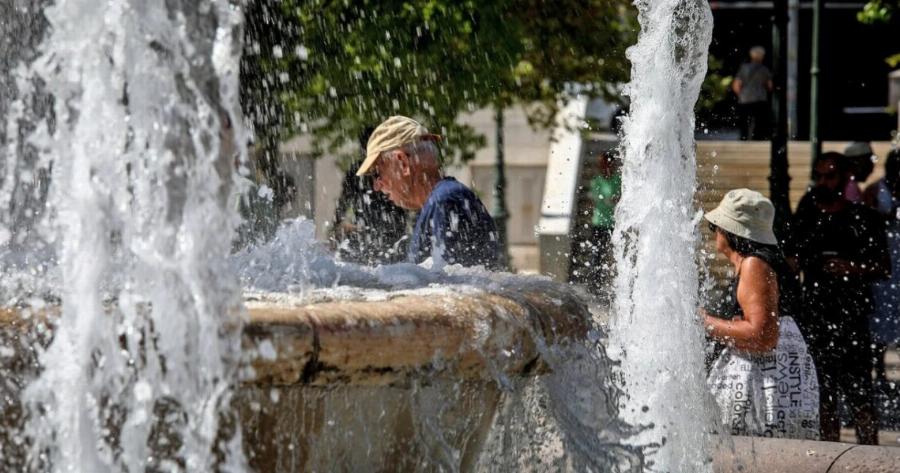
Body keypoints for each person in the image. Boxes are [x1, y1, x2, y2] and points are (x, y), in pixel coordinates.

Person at [787, 152, 890, 444]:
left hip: (852, 318)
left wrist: (852, 267)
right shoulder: (808, 216)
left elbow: (884, 267)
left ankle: (871, 456)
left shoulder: (863, 218)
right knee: (823, 397)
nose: (823, 182)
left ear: (845, 178)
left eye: (830, 176)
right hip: (816, 317)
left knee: (861, 397)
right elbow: (792, 258)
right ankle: (828, 457)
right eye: (819, 175)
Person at [702, 189, 819, 439]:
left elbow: (763, 335)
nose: (715, 233)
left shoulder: (754, 265)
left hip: (765, 390)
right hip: (776, 386)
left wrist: (704, 322)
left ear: (729, 231)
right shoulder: (761, 262)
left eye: (716, 227)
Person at [356, 115, 500, 269]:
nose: (376, 186)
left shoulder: (445, 201)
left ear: (403, 163)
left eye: (377, 173)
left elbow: (450, 282)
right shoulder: (441, 200)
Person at [331, 127, 409, 266]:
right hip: (388, 231)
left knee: (363, 269)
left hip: (370, 232)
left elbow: (343, 202)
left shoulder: (357, 171)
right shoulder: (390, 167)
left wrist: (336, 225)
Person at [863, 148, 900, 388]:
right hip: (885, 256)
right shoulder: (875, 190)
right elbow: (867, 219)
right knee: (880, 314)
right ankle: (879, 367)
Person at [732, 46, 773, 141]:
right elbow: (770, 85)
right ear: (762, 57)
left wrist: (741, 95)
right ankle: (757, 139)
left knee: (744, 121)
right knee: (759, 121)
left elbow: (736, 84)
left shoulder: (744, 68)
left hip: (745, 99)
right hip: (760, 99)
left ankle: (744, 137)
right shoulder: (764, 69)